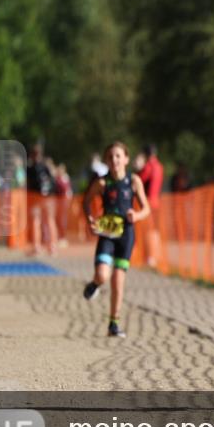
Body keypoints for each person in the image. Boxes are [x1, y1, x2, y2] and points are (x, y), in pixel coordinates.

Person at [82, 142, 150, 338]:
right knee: (103, 275)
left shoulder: (134, 181)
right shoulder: (102, 183)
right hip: (107, 234)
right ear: (106, 161)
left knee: (118, 280)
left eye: (118, 156)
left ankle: (113, 323)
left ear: (126, 159)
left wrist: (136, 215)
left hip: (126, 234)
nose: (115, 160)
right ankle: (94, 284)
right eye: (110, 157)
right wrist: (90, 219)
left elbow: (146, 208)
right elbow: (86, 202)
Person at [26, 144, 58, 255]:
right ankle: (52, 246)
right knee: (49, 221)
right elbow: (53, 180)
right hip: (48, 197)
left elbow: (28, 183)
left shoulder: (31, 168)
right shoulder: (46, 166)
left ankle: (37, 246)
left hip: (35, 197)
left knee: (36, 221)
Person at [136, 144, 163, 268]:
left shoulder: (149, 167)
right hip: (156, 201)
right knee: (153, 231)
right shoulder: (159, 166)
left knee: (147, 231)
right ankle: (154, 256)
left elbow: (139, 181)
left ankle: (150, 257)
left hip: (147, 202)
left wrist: (137, 168)